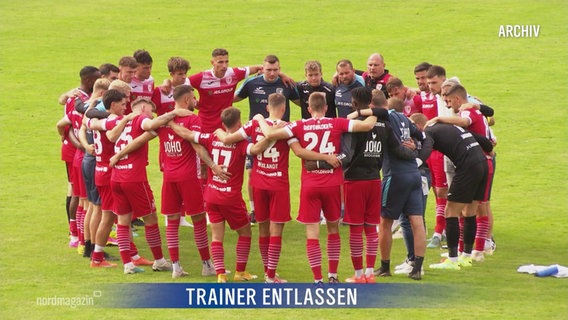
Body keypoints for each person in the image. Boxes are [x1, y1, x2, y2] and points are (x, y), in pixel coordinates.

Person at [215, 93, 340, 283]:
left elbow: (229, 139)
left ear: (267, 108)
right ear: (283, 109)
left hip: (257, 183)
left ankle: (268, 272)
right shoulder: (287, 127)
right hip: (278, 184)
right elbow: (298, 151)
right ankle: (271, 275)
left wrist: (218, 132)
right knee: (276, 232)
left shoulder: (254, 124)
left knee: (263, 229)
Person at [256, 92, 377, 284]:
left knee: (312, 233)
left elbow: (270, 134)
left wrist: (260, 118)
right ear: (326, 108)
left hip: (310, 185)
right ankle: (333, 275)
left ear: (309, 108)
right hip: (333, 184)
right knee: (333, 230)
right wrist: (377, 110)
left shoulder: (299, 125)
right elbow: (368, 125)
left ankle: (317, 279)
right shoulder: (337, 123)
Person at [111, 85, 225, 278]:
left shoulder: (162, 121)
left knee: (171, 221)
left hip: (169, 178)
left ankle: (176, 267)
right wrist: (213, 166)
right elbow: (196, 145)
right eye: (194, 99)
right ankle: (206, 265)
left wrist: (118, 156)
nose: (196, 102)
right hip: (189, 177)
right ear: (187, 100)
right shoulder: (192, 118)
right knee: (198, 219)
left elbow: (140, 140)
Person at [311, 87, 416, 283]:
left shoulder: (353, 125)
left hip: (355, 182)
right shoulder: (384, 124)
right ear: (371, 102)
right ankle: (369, 274)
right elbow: (399, 150)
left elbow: (348, 155)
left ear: (353, 103)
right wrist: (416, 152)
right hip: (375, 181)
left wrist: (326, 162)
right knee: (371, 229)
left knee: (356, 230)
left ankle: (359, 275)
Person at [169, 107, 272, 283]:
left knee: (217, 236)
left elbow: (188, 135)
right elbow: (254, 150)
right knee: (245, 233)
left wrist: (170, 123)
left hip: (211, 195)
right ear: (239, 123)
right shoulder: (241, 144)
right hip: (230, 197)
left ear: (223, 124)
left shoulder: (212, 137)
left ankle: (221, 274)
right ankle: (240, 272)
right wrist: (270, 137)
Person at [109, 98, 190, 274]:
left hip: (116, 176)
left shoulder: (121, 121)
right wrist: (174, 113)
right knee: (150, 218)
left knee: (123, 221)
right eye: (151, 112)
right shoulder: (140, 119)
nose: (153, 116)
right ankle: (160, 261)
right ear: (144, 108)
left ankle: (127, 264)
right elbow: (150, 124)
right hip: (134, 178)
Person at [410, 113, 492, 270]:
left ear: (419, 126)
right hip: (482, 163)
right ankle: (466, 257)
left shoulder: (429, 132)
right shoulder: (449, 126)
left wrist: (416, 162)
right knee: (470, 212)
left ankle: (453, 260)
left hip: (467, 167)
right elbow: (477, 137)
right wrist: (489, 148)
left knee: (450, 212)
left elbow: (427, 148)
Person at [427, 82, 494, 263]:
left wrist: (440, 119)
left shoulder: (467, 111)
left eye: (449, 101)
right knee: (470, 210)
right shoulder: (475, 109)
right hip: (483, 161)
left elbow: (465, 122)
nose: (448, 106)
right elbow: (487, 133)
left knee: (466, 209)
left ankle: (469, 253)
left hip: (474, 163)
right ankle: (469, 252)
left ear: (457, 98)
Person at [362, 97, 426, 280]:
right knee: (417, 222)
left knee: (385, 222)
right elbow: (421, 135)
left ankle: (384, 266)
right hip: (414, 174)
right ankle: (417, 269)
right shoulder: (405, 118)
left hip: (395, 175)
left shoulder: (383, 118)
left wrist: (357, 113)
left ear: (372, 106)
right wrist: (416, 149)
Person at [234, 54, 300, 222]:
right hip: (255, 133)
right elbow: (232, 98)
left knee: (278, 171)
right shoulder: (252, 83)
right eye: (269, 70)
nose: (272, 74)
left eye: (276, 70)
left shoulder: (285, 84)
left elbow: (303, 103)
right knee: (251, 172)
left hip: (280, 134)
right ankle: (255, 209)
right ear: (262, 69)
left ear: (280, 69)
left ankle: (275, 208)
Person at [86, 89, 136, 267]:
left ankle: (133, 254)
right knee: (109, 216)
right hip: (108, 172)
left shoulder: (99, 121)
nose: (125, 107)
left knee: (123, 214)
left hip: (101, 170)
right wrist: (126, 119)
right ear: (113, 105)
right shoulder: (114, 120)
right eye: (123, 104)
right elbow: (112, 132)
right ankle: (97, 258)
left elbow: (90, 121)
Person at [57, 66, 100, 248]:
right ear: (90, 81)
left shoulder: (75, 98)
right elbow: (62, 125)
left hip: (78, 151)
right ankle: (76, 235)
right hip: (76, 152)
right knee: (78, 194)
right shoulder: (81, 101)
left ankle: (78, 235)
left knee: (80, 194)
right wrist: (77, 143)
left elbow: (64, 120)